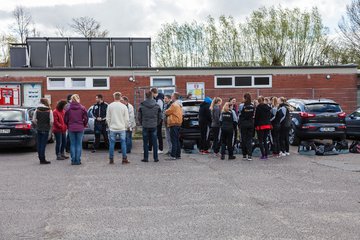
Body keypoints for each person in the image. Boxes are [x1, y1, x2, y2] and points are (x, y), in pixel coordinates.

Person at [106, 92, 130, 164]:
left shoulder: (110, 106)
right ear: (120, 97)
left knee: (112, 144)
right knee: (123, 143)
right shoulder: (124, 106)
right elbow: (127, 119)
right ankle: (124, 159)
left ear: (114, 97)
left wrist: (110, 125)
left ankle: (111, 159)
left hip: (113, 128)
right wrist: (126, 126)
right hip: (122, 128)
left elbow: (108, 118)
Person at [64, 94, 88, 165]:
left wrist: (68, 125)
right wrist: (83, 124)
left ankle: (73, 160)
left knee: (73, 144)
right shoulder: (82, 108)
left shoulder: (68, 109)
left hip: (71, 128)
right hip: (80, 127)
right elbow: (86, 118)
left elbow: (65, 119)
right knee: (79, 144)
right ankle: (78, 160)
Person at [138, 91, 162, 162]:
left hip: (145, 125)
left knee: (145, 142)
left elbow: (139, 117)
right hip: (154, 125)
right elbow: (160, 116)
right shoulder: (157, 105)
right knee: (155, 142)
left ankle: (146, 158)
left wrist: (142, 123)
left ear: (145, 96)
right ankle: (156, 158)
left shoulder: (142, 105)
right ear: (152, 96)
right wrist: (157, 123)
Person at [33, 98, 53, 164]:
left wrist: (37, 124)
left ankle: (40, 158)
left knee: (39, 144)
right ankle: (43, 159)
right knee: (43, 145)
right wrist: (49, 126)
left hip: (38, 128)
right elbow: (51, 121)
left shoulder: (37, 109)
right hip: (46, 129)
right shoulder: (49, 110)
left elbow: (33, 120)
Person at [165, 92, 183, 160]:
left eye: (172, 96)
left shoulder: (174, 105)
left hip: (173, 123)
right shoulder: (180, 104)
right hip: (178, 123)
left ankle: (173, 155)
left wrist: (166, 111)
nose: (171, 97)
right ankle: (178, 155)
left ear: (174, 97)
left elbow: (167, 112)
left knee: (174, 140)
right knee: (177, 140)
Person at [238, 93, 255, 161]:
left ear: (245, 98)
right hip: (250, 124)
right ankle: (250, 155)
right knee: (249, 140)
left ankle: (244, 155)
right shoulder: (252, 106)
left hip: (244, 124)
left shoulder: (242, 105)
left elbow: (239, 114)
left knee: (243, 140)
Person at [150, 88, 164, 153]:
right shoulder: (156, 99)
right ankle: (152, 148)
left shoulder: (159, 100)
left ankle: (161, 149)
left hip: (158, 119)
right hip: (156, 119)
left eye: (151, 93)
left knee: (159, 134)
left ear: (153, 92)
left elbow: (159, 109)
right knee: (155, 133)